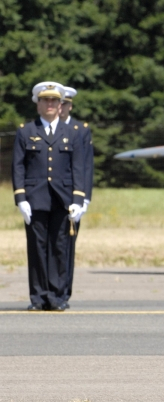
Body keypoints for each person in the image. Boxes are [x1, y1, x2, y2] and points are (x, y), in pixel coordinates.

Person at [12, 82, 86, 311]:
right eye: (46, 100)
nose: (51, 104)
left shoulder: (71, 133)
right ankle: (38, 297)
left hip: (62, 199)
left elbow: (78, 168)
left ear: (61, 105)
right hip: (35, 199)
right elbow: (18, 167)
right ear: (38, 105)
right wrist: (21, 198)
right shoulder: (26, 131)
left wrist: (78, 200)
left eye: (55, 101)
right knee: (37, 247)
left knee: (59, 247)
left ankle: (57, 296)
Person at [59, 86, 94, 306]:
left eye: (65, 104)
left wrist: (85, 199)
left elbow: (87, 166)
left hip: (73, 196)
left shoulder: (80, 129)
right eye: (58, 103)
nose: (61, 107)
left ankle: (64, 293)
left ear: (70, 106)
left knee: (67, 247)